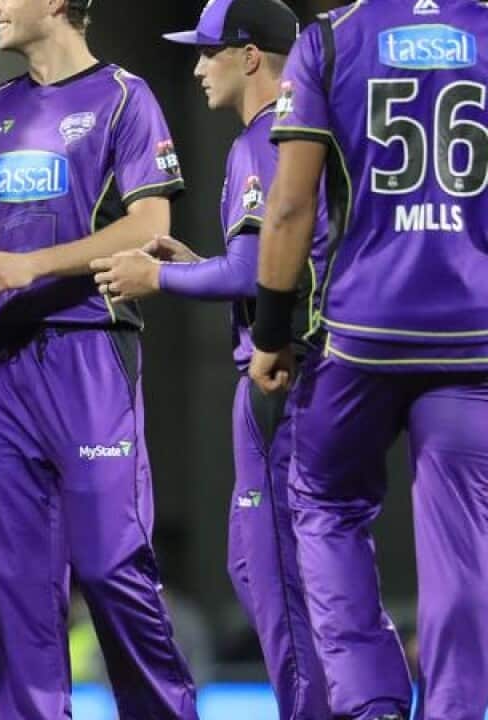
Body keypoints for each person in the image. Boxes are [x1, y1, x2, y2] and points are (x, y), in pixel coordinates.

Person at [0, 0, 199, 716]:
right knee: (16, 583)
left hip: (89, 353)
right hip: (1, 367)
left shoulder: (126, 98)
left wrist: (33, 265)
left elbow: (150, 223)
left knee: (109, 566)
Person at [92, 1, 330, 717]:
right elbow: (271, 270)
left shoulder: (262, 139)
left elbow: (256, 271)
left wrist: (157, 276)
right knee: (298, 572)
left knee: (279, 578)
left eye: (209, 51)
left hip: (284, 378)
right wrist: (201, 263)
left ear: (250, 55)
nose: (197, 67)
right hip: (324, 373)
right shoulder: (311, 131)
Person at [250, 1, 488, 718]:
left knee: (323, 504)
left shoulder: (329, 39)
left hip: (361, 335)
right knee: (464, 538)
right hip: (473, 336)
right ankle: (457, 709)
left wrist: (269, 331)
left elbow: (291, 206)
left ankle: (371, 702)